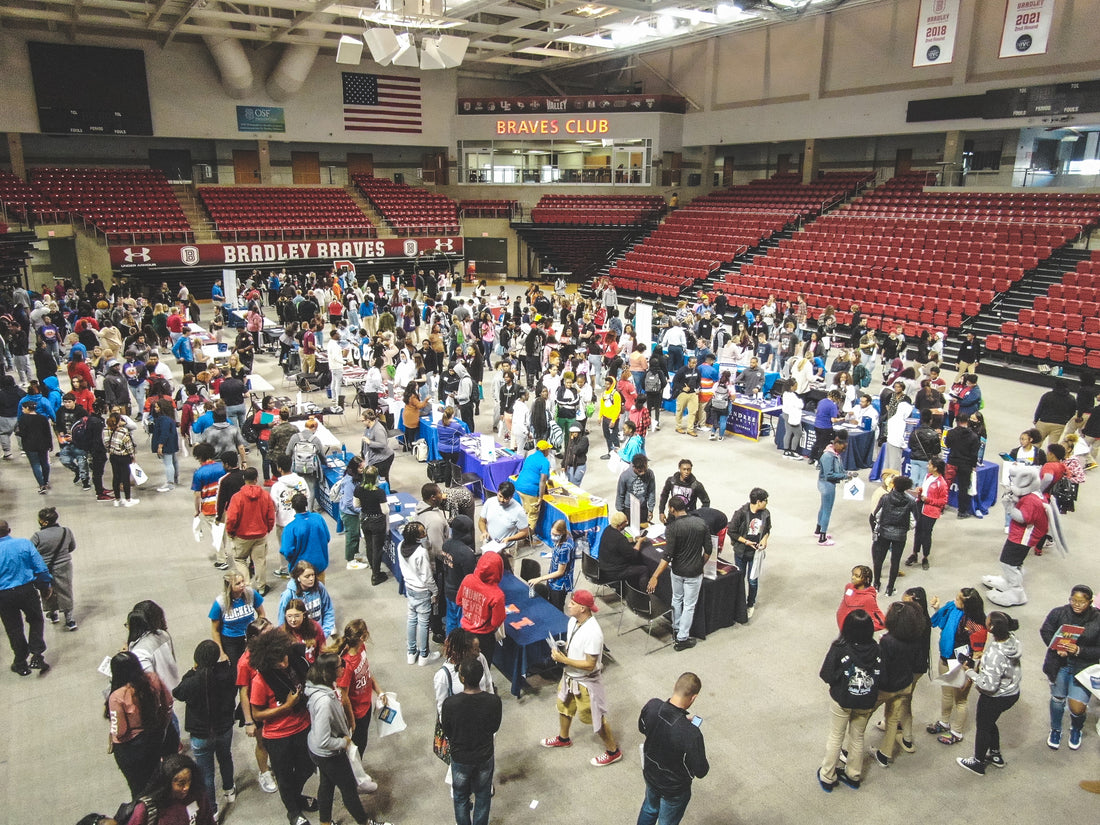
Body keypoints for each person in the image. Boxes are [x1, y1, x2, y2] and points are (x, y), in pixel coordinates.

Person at [304, 652, 391, 825]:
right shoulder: (324, 702)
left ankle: (325, 822)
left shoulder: (325, 686)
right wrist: (344, 742)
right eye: (340, 665)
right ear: (329, 671)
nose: (344, 667)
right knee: (349, 789)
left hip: (319, 751)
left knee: (326, 784)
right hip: (328, 753)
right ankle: (365, 822)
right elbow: (323, 740)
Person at [540, 590, 622, 766]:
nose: (569, 605)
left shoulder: (594, 633)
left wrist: (564, 659)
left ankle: (613, 751)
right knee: (564, 706)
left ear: (583, 608)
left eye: (573, 603)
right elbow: (573, 644)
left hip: (585, 683)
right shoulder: (573, 621)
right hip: (569, 676)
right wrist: (564, 649)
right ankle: (563, 738)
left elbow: (590, 664)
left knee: (595, 717)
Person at [248, 629, 317, 825]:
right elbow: (257, 714)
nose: (283, 663)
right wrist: (287, 706)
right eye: (277, 662)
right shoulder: (260, 681)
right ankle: (293, 812)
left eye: (284, 657)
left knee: (307, 766)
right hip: (278, 736)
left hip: (303, 726)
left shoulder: (295, 663)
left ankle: (294, 797)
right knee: (284, 776)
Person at [817, 610, 882, 791]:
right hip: (866, 699)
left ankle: (828, 775)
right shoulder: (877, 649)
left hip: (842, 699)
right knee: (857, 736)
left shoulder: (840, 648)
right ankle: (854, 774)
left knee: (836, 735)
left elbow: (826, 673)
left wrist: (839, 679)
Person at [172, 640, 238, 812]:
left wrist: (191, 672)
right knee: (225, 758)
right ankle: (229, 790)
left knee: (206, 772)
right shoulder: (227, 675)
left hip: (201, 735)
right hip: (224, 729)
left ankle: (213, 810)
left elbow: (177, 693)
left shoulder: (192, 681)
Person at [637, 672, 709, 825]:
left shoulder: (652, 706)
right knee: (666, 822)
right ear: (694, 697)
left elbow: (643, 728)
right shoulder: (691, 733)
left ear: (675, 686)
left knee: (649, 808)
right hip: (674, 788)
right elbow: (701, 770)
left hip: (650, 774)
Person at [956, 611, 1022, 775]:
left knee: (983, 726)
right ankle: (995, 755)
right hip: (1012, 692)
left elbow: (989, 686)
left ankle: (977, 762)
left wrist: (970, 671)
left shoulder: (995, 655)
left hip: (995, 697)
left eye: (988, 620)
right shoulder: (1012, 640)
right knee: (990, 722)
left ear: (992, 627)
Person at [441, 657, 503, 825]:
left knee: (460, 796)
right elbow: (494, 727)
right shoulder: (493, 701)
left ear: (462, 678)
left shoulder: (450, 704)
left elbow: (447, 730)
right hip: (484, 755)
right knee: (483, 795)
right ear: (481, 676)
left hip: (460, 757)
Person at [1039, 585, 1100, 751]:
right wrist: (1055, 646)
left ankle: (1076, 728)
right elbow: (1046, 631)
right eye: (1074, 600)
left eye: (1082, 601)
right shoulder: (1058, 613)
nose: (1077, 604)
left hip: (1083, 668)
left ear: (1090, 601)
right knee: (1057, 700)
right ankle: (1056, 729)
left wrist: (1080, 650)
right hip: (1060, 665)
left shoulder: (1097, 619)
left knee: (1077, 707)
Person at [106, 650, 174, 797]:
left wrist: (112, 734)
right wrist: (164, 723)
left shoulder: (117, 697)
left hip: (131, 748)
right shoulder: (152, 679)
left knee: (138, 787)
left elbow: (120, 731)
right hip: (154, 737)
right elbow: (168, 702)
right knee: (156, 777)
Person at [647, 496, 710, 652]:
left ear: (672, 509)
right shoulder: (701, 524)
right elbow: (708, 550)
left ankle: (676, 630)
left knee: (677, 599)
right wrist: (700, 564)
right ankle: (682, 637)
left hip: (677, 571)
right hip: (694, 573)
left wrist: (655, 576)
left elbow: (667, 556)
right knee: (689, 605)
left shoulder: (673, 528)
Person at [928, 587, 988, 746]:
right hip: (945, 658)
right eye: (957, 596)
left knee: (960, 700)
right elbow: (944, 627)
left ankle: (956, 731)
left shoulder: (976, 624)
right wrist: (937, 609)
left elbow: (977, 653)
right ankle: (944, 722)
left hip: (961, 665)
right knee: (946, 694)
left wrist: (971, 673)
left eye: (960, 599)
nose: (956, 600)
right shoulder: (952, 608)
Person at [0, 520, 53, 675]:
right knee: (36, 619)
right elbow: (40, 567)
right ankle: (37, 655)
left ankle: (20, 661)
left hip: (3, 595)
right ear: (9, 530)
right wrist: (45, 586)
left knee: (13, 627)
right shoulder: (24, 544)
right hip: (26, 590)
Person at [333, 619, 385, 763]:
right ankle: (355, 778)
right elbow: (343, 697)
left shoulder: (361, 650)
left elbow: (367, 672)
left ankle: (358, 772)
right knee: (356, 748)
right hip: (356, 713)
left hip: (366, 705)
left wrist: (379, 691)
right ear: (363, 637)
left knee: (362, 744)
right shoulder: (347, 665)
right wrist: (351, 721)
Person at [120, 753, 217, 825]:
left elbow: (208, 821)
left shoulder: (198, 795)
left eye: (189, 781)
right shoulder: (146, 808)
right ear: (167, 783)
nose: (186, 788)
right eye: (181, 784)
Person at [225, 467, 276, 593]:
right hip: (260, 535)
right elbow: (271, 515)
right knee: (259, 561)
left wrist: (230, 532)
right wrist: (267, 529)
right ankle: (261, 588)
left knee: (240, 559)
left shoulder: (237, 497)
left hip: (242, 536)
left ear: (244, 479)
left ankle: (246, 587)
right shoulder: (265, 495)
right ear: (256, 478)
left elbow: (231, 518)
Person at [398, 521, 441, 666]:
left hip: (409, 588)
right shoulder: (420, 552)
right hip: (422, 591)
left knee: (411, 620)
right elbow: (427, 577)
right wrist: (435, 591)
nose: (425, 534)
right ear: (416, 537)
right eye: (422, 533)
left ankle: (411, 652)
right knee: (423, 623)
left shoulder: (400, 546)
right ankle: (424, 655)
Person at [30, 506, 77, 631]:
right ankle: (70, 619)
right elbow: (72, 547)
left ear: (43, 521)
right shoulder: (66, 531)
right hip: (64, 566)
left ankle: (53, 614)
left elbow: (31, 552)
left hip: (45, 569)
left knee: (47, 591)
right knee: (66, 590)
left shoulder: (37, 536)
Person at [727, 488, 771, 619]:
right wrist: (746, 542)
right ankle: (738, 605)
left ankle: (750, 603)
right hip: (741, 552)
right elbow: (732, 531)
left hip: (755, 554)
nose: (766, 503)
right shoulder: (741, 513)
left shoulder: (765, 514)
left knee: (752, 580)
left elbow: (767, 529)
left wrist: (765, 539)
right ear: (758, 502)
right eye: (765, 501)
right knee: (739, 578)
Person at [457, 550, 505, 668]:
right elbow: (496, 622)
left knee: (467, 663)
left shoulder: (468, 579)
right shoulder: (497, 595)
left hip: (465, 631)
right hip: (484, 637)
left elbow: (458, 601)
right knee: (482, 666)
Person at [868, 475, 915, 597]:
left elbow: (876, 514)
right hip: (900, 536)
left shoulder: (885, 497)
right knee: (895, 561)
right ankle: (890, 588)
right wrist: (905, 528)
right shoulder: (911, 501)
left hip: (884, 532)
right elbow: (914, 520)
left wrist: (880, 524)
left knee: (879, 559)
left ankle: (876, 584)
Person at [905, 457, 948, 570]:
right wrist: (919, 491)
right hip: (920, 507)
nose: (927, 466)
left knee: (926, 534)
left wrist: (929, 500)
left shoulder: (941, 483)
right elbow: (924, 490)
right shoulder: (928, 476)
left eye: (929, 465)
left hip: (930, 512)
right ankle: (914, 553)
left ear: (935, 468)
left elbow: (943, 502)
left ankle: (925, 557)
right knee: (917, 531)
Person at [277, 561, 336, 638]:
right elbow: (282, 621)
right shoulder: (288, 594)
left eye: (313, 575)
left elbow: (328, 610)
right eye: (307, 576)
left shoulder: (319, 587)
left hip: (318, 635)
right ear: (298, 578)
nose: (311, 579)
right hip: (297, 640)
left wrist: (324, 633)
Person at [354, 465, 392, 586]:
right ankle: (376, 575)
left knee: (369, 546)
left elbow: (356, 505)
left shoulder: (358, 489)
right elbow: (385, 510)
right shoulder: (379, 492)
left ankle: (373, 569)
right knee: (377, 549)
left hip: (365, 520)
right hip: (377, 522)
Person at [817, 431, 855, 546]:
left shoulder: (834, 454)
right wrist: (845, 476)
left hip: (826, 484)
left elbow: (839, 469)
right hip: (827, 485)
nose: (842, 451)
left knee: (823, 507)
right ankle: (822, 538)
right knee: (827, 510)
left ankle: (818, 530)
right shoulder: (828, 456)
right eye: (842, 449)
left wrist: (848, 473)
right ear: (837, 444)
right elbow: (829, 474)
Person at [280, 493, 332, 580]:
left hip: (301, 571)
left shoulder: (290, 528)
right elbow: (327, 537)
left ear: (293, 507)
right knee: (320, 592)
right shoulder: (318, 518)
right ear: (306, 504)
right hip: (319, 566)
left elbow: (287, 550)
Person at [529, 518, 576, 610]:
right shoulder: (561, 539)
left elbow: (560, 572)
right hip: (552, 578)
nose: (553, 536)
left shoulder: (565, 548)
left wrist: (539, 579)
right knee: (549, 604)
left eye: (556, 535)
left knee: (556, 609)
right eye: (552, 534)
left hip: (559, 584)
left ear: (562, 533)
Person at [596, 512, 649, 591]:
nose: (627, 523)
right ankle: (641, 596)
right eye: (625, 522)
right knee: (644, 569)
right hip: (613, 572)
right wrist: (639, 542)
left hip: (603, 568)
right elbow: (634, 555)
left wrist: (633, 540)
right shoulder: (620, 539)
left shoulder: (607, 530)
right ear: (620, 525)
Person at [944, 413, 982, 519]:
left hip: (952, 462)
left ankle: (940, 506)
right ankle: (962, 511)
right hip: (965, 465)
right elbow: (974, 454)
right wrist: (973, 466)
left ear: (956, 421)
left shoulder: (951, 433)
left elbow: (947, 445)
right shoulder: (973, 436)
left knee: (945, 485)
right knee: (963, 488)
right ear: (968, 421)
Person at [514, 439, 552, 536]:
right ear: (544, 450)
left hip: (519, 486)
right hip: (530, 491)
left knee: (525, 511)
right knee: (532, 515)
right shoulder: (545, 462)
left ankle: (521, 531)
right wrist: (540, 497)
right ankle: (526, 538)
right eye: (548, 449)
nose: (549, 451)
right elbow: (542, 481)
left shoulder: (530, 457)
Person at [478, 481, 530, 550]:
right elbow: (481, 521)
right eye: (500, 496)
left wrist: (509, 539)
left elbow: (524, 532)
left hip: (506, 548)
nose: (502, 500)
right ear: (497, 492)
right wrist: (484, 532)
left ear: (511, 497)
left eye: (506, 498)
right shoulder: (489, 502)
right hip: (489, 544)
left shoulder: (518, 511)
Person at [16, 399, 53, 493]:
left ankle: (41, 485)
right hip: (43, 444)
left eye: (23, 408)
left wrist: (18, 432)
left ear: (28, 408)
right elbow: (48, 432)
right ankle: (46, 481)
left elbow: (22, 433)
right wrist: (50, 444)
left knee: (35, 464)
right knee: (45, 463)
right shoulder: (43, 418)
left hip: (30, 445)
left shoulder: (23, 419)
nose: (22, 410)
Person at [836, 565, 885, 631]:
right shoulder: (849, 587)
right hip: (843, 629)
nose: (853, 577)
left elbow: (881, 622)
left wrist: (861, 630)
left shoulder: (868, 599)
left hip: (853, 634)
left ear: (866, 579)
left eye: (857, 576)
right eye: (853, 574)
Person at [616, 454, 657, 526]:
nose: (643, 472)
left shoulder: (650, 474)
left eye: (645, 469)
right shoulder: (625, 476)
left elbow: (651, 492)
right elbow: (620, 494)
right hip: (629, 508)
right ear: (634, 467)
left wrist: (650, 509)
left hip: (643, 507)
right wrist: (620, 511)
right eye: (640, 471)